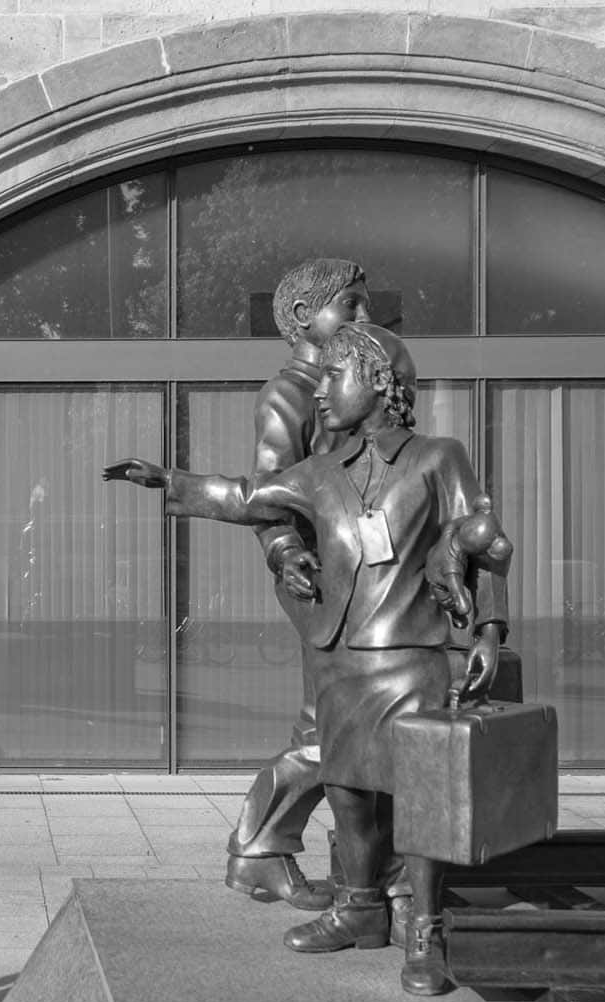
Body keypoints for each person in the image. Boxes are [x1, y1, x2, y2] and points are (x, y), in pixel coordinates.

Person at [163, 323, 507, 996]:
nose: (319, 391)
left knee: (418, 799)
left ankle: (426, 928)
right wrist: (171, 482)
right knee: (348, 795)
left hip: (410, 660)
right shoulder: (322, 471)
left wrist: (489, 629)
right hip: (341, 662)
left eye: (333, 376)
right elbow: (249, 496)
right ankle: (360, 908)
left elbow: (485, 538)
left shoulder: (438, 458)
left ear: (377, 383)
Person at [103, 259, 371, 910]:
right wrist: (285, 551)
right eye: (352, 305)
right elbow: (270, 494)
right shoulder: (292, 395)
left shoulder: (358, 385)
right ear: (304, 318)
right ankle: (268, 849)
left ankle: (317, 857)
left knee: (346, 721)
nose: (365, 318)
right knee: (334, 725)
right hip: (320, 580)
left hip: (370, 579)